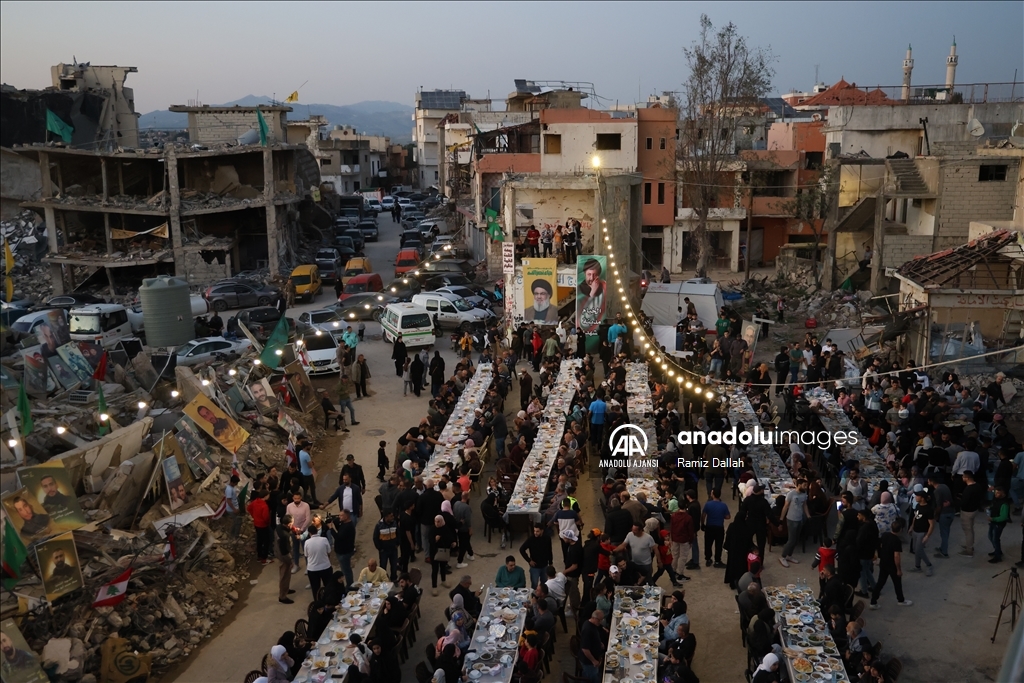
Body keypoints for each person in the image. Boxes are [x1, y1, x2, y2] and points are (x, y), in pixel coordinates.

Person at [778, 480, 810, 567]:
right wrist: (781, 519)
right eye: (804, 485)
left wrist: (808, 516)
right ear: (799, 485)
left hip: (800, 519)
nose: (806, 487)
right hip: (791, 519)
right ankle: (783, 556)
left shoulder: (804, 494)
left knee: (796, 539)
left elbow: (805, 505)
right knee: (791, 540)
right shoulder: (791, 494)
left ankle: (789, 555)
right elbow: (785, 507)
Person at [701, 488, 731, 568]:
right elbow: (728, 517)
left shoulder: (708, 504)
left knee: (708, 543)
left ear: (713, 494)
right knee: (718, 544)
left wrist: (702, 524)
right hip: (719, 527)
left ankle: (708, 559)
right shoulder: (723, 505)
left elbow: (703, 515)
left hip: (709, 526)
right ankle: (717, 561)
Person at [577, 258, 607, 335]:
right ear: (584, 274)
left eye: (595, 275)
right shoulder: (580, 290)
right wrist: (593, 292)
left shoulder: (604, 287)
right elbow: (584, 322)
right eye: (589, 274)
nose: (591, 278)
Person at [430, 514, 457, 596]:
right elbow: (429, 540)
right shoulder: (432, 529)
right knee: (434, 570)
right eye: (436, 521)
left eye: (438, 521)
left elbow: (450, 537)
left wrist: (453, 542)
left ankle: (443, 580)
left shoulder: (445, 528)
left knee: (443, 567)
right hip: (435, 553)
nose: (437, 523)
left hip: (444, 552)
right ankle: (434, 587)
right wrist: (435, 539)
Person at [304, 524, 333, 599]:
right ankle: (329, 602)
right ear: (317, 531)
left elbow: (306, 555)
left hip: (313, 569)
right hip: (325, 567)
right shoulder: (324, 540)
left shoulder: (307, 542)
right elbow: (329, 552)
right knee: (328, 586)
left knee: (315, 589)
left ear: (309, 533)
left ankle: (318, 604)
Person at [578, 610, 607, 682]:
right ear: (594, 618)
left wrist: (599, 643)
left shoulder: (593, 624)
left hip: (594, 656)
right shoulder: (587, 630)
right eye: (599, 620)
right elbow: (585, 649)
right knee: (593, 678)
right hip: (588, 662)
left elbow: (594, 637)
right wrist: (593, 661)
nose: (600, 622)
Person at [372, 510, 400, 580]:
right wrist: (380, 548)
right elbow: (375, 538)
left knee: (394, 565)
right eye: (391, 516)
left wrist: (397, 543)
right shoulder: (379, 525)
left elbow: (398, 533)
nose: (393, 517)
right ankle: (384, 580)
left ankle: (394, 578)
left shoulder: (394, 523)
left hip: (393, 549)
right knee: (383, 566)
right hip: (384, 551)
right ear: (386, 517)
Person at [247, 489, 272, 564]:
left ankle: (259, 556)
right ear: (265, 496)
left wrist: (253, 516)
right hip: (263, 525)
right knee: (266, 541)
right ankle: (264, 558)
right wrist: (268, 522)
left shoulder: (255, 502)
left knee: (259, 540)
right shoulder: (264, 506)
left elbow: (249, 508)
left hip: (256, 524)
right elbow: (266, 517)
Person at [276, 513, 296, 603]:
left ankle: (286, 589)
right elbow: (285, 552)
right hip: (284, 556)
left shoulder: (279, 527)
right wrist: (291, 561)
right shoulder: (284, 536)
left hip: (278, 552)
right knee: (284, 575)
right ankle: (282, 596)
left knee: (287, 574)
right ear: (289, 524)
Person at [989, 486, 1011, 563]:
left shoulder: (1004, 504)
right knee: (991, 536)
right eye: (995, 492)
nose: (995, 494)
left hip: (998, 524)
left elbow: (1004, 517)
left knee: (995, 539)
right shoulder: (997, 500)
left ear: (1003, 493)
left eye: (997, 493)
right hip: (993, 522)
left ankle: (998, 556)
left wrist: (993, 519)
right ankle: (997, 551)